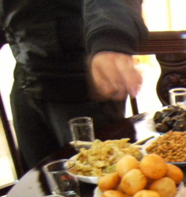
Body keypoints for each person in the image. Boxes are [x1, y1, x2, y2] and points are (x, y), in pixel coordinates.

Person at [1, 0, 148, 170]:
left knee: (101, 177)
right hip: (26, 83)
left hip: (86, 87)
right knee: (39, 180)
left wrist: (110, 36)